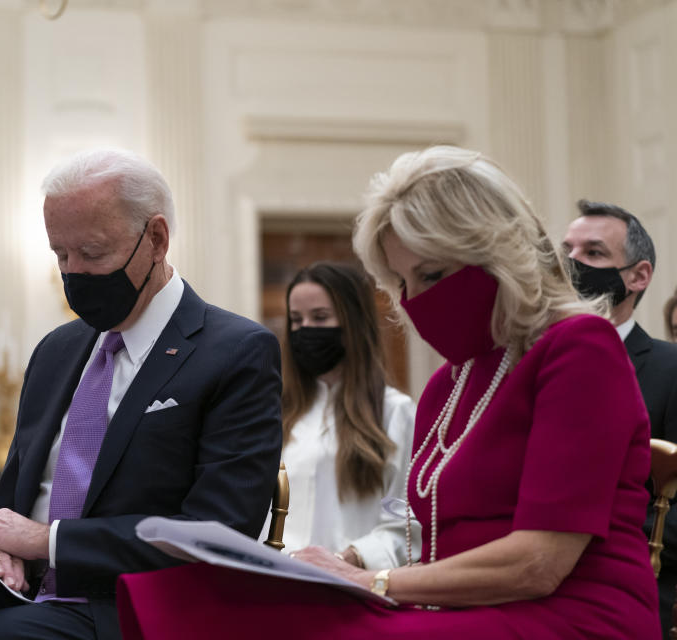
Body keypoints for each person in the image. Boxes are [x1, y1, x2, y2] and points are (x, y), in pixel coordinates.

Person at [115, 145, 659, 639]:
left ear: (498, 251)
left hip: (575, 615)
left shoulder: (578, 347)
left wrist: (374, 582)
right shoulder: (450, 383)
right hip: (462, 609)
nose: (414, 300)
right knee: (196, 602)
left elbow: (539, 563)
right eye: (402, 283)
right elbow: (429, 543)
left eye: (432, 273)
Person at [0, 148, 283, 640]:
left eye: (92, 253)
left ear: (157, 238)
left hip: (122, 603)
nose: (72, 271)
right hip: (24, 589)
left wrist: (47, 541)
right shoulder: (57, 351)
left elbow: (219, 531)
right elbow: (13, 500)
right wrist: (1, 549)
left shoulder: (234, 352)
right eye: (60, 254)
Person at [563, 201, 677, 638]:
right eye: (567, 252)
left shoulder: (670, 371)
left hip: (639, 593)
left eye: (592, 254)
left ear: (638, 276)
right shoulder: (524, 365)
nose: (572, 264)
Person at [271, 261, 419, 569]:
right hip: (277, 585)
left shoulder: (396, 413)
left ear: (353, 323)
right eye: (296, 320)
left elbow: (406, 523)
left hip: (354, 586)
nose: (305, 329)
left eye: (320, 317)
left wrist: (349, 557)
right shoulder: (276, 412)